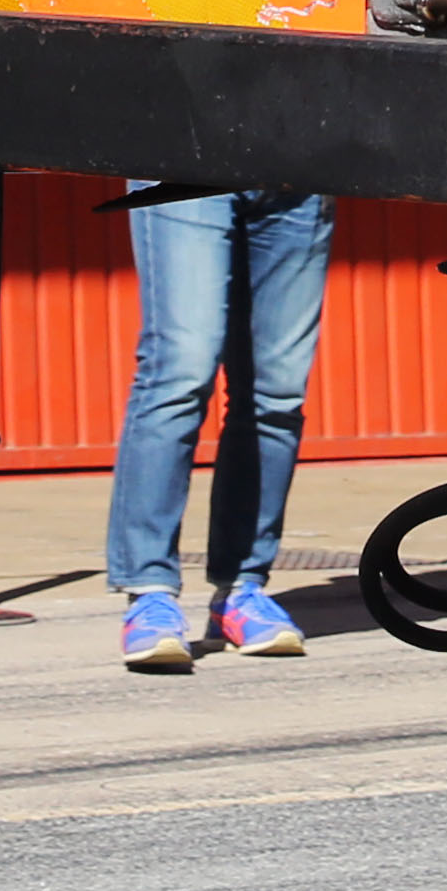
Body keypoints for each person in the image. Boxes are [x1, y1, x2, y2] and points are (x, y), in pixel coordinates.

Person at [109, 185, 331, 671]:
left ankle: (241, 590)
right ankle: (149, 591)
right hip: (185, 155)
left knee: (277, 392)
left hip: (299, 166)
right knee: (180, 371)